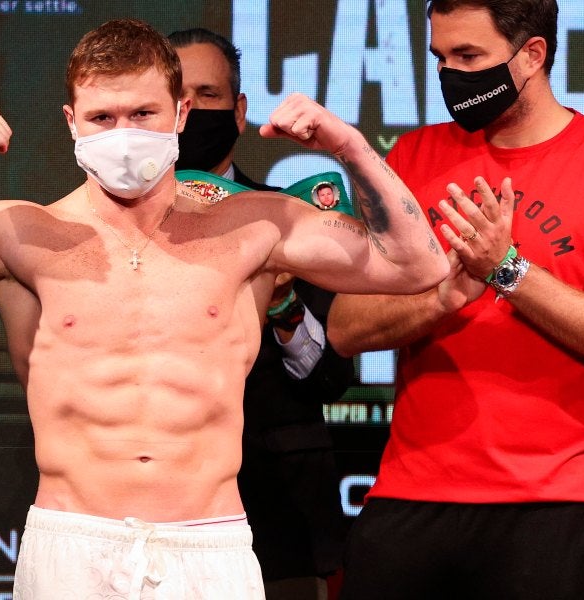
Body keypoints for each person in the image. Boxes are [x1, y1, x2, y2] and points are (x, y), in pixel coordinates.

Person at [0, 18, 448, 599]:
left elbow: (415, 266)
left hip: (210, 541)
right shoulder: (19, 232)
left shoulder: (255, 225)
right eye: (102, 117)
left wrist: (349, 148)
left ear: (179, 113)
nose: (123, 134)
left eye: (143, 113)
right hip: (73, 544)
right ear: (72, 121)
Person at [326, 1, 584, 598]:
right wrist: (441, 298)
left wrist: (507, 271)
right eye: (440, 57)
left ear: (532, 54)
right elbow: (346, 328)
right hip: (410, 493)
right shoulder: (409, 160)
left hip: (556, 500)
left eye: (469, 56)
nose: (451, 74)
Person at [169, 27, 351, 600]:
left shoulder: (292, 220)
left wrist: (282, 300)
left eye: (210, 95)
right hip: (135, 512)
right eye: (179, 98)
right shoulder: (93, 228)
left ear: (240, 110)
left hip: (274, 521)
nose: (194, 112)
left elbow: (331, 377)